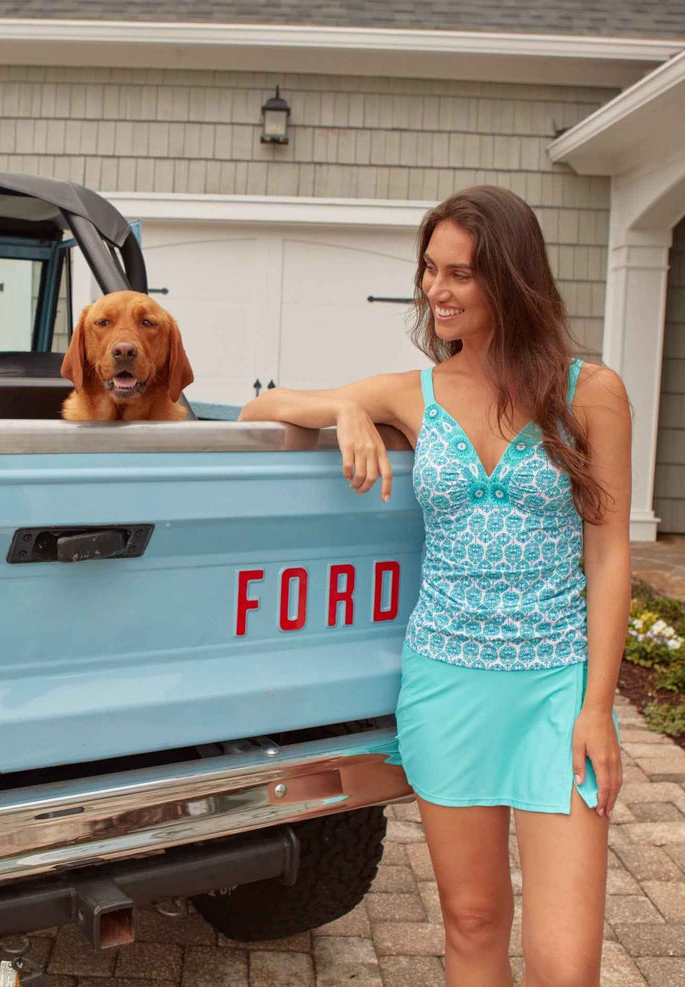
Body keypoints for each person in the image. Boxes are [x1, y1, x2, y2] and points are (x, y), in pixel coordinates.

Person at [239, 186, 631, 987]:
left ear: (511, 279)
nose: (436, 290)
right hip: (447, 684)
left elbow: (609, 554)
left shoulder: (589, 391)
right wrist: (343, 410)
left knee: (565, 966)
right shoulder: (410, 393)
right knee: (472, 921)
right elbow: (261, 406)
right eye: (429, 269)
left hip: (556, 690)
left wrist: (596, 707)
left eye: (460, 273)